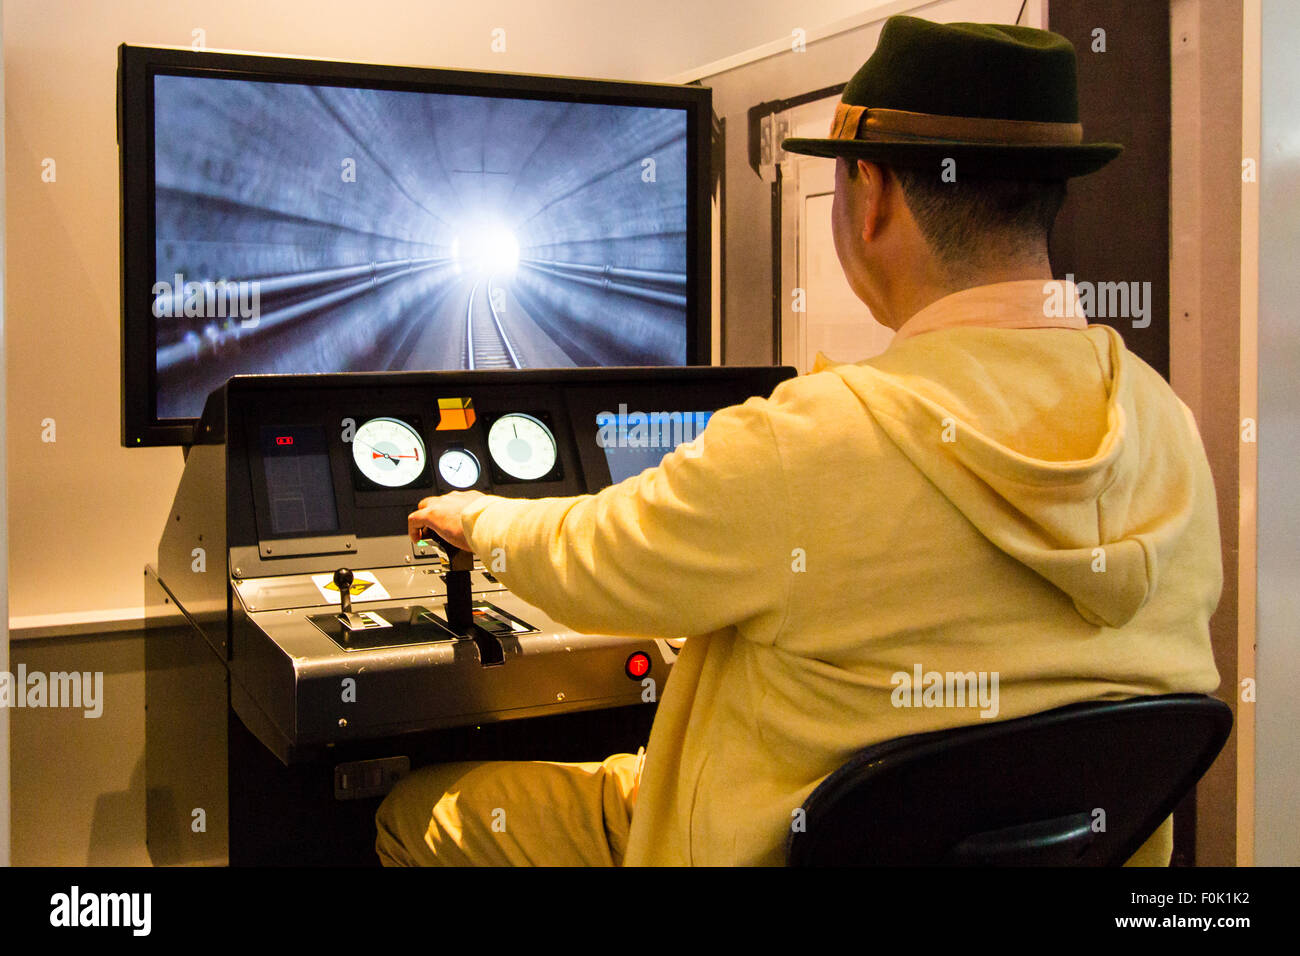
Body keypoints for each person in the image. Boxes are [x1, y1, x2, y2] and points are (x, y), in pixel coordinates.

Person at [375, 14, 1221, 866]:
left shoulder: (809, 439)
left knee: (414, 811)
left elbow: (594, 559)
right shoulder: (1167, 427)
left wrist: (477, 519)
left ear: (871, 195)